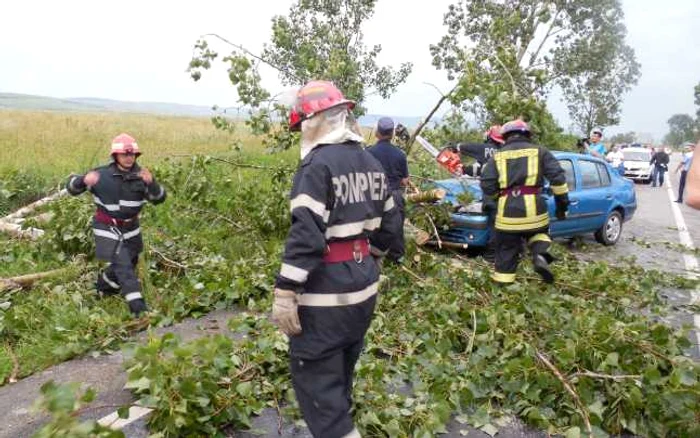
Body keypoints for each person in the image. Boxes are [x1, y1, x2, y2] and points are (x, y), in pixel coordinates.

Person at [271, 80, 402, 438]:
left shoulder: (316, 166)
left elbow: (307, 236)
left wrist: (286, 291)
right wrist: (370, 255)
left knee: (319, 390)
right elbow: (392, 223)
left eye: (302, 125)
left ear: (314, 121)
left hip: (326, 294)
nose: (301, 133)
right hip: (363, 287)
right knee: (341, 374)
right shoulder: (372, 162)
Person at [66, 133, 166, 317]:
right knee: (123, 264)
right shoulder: (101, 175)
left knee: (132, 260)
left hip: (131, 228)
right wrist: (83, 180)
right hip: (106, 227)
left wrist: (152, 183)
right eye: (124, 154)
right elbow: (71, 188)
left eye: (132, 154)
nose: (129, 158)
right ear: (116, 156)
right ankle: (139, 309)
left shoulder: (142, 176)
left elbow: (159, 199)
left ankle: (102, 289)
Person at [480, 120, 569, 284]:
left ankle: (503, 289)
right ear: (528, 135)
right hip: (534, 210)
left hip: (507, 215)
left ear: (504, 136)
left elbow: (487, 184)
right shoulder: (540, 152)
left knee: (506, 251)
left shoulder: (497, 156)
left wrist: (498, 198)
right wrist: (562, 206)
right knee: (539, 233)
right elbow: (558, 180)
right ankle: (540, 255)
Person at [442, 125, 505, 262]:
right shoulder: (505, 151)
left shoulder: (488, 149)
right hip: (504, 194)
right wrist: (463, 169)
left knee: (494, 225)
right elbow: (481, 169)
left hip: (492, 194)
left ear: (490, 137)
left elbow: (473, 148)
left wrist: (457, 147)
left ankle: (490, 257)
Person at [366, 117, 408, 263]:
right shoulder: (400, 154)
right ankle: (396, 260)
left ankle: (371, 257)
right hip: (394, 195)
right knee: (396, 229)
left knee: (373, 228)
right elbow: (404, 180)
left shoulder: (368, 152)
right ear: (392, 134)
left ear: (377, 132)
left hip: (373, 195)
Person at [684, 140, 700, 209]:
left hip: (688, 172)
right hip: (689, 171)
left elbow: (694, 199)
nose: (689, 149)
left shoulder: (690, 154)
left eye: (690, 147)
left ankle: (680, 198)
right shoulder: (689, 154)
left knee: (683, 186)